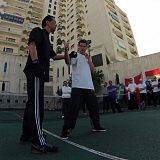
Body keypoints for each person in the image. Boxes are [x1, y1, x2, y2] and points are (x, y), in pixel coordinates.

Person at [20, 15, 70, 153]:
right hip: (36, 71)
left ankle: (27, 135)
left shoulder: (48, 41)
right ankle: (38, 143)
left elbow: (55, 57)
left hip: (39, 74)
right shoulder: (38, 31)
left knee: (31, 104)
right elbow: (32, 44)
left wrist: (67, 52)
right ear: (48, 22)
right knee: (37, 106)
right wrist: (36, 64)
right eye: (55, 22)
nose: (56, 24)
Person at [61, 39, 106, 139]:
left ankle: (96, 126)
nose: (82, 48)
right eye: (80, 46)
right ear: (78, 46)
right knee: (73, 109)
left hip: (89, 87)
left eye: (84, 46)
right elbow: (68, 61)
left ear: (86, 47)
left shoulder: (87, 57)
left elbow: (93, 71)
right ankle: (66, 130)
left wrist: (89, 59)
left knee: (94, 108)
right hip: (78, 87)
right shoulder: (75, 55)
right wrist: (66, 49)